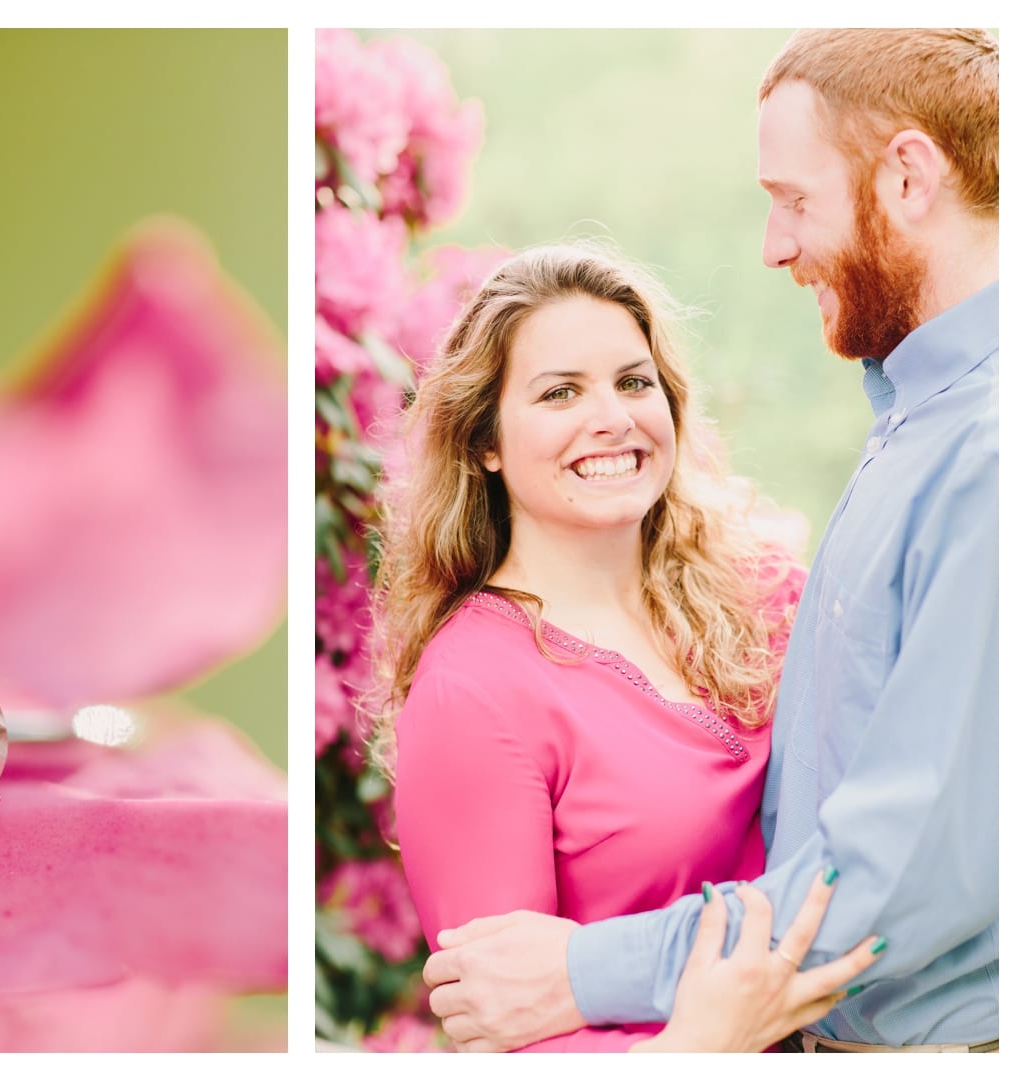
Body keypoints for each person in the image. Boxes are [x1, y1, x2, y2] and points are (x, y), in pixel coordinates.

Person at [420, 27, 998, 1054]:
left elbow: (902, 869)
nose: (774, 244)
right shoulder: (910, 424)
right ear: (485, 443)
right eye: (557, 392)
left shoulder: (975, 457)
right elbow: (496, 1009)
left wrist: (586, 968)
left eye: (793, 199)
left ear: (907, 175)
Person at [368, 242, 879, 1051]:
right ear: (485, 441)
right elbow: (505, 1029)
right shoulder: (472, 693)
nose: (612, 417)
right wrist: (703, 1045)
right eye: (560, 392)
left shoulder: (765, 588)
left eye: (633, 382)